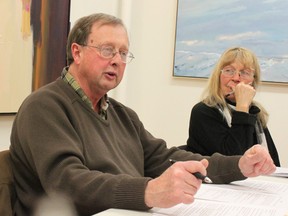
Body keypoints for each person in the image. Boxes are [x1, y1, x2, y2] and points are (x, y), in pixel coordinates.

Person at [9, 13, 276, 216]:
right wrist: (150, 191)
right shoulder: (44, 107)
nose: (117, 60)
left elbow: (165, 158)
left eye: (124, 53)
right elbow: (68, 183)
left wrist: (238, 165)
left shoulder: (122, 114)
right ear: (76, 52)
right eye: (107, 50)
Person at [185, 47, 280, 166]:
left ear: (253, 81)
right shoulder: (203, 111)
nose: (236, 78)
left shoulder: (254, 112)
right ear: (218, 76)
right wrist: (242, 108)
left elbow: (273, 162)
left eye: (245, 73)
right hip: (215, 182)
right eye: (229, 71)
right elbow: (233, 160)